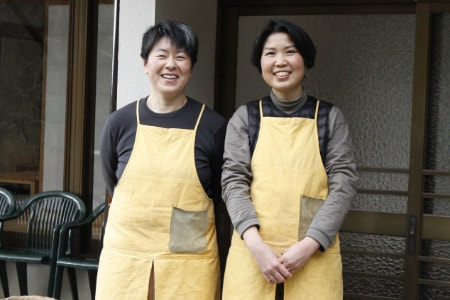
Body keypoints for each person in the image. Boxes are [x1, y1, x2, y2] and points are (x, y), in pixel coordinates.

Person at [221, 19, 358, 300]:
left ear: (305, 60)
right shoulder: (245, 118)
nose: (280, 61)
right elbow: (233, 182)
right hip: (253, 252)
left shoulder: (329, 118)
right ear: (260, 63)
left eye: (290, 51)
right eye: (270, 53)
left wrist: (309, 245)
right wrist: (257, 247)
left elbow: (343, 186)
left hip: (313, 254)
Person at [96, 20, 227, 300]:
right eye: (161, 55)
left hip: (190, 263)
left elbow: (219, 192)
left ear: (191, 68)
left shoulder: (213, 126)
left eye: (181, 57)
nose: (171, 64)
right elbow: (112, 180)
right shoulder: (120, 122)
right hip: (125, 258)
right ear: (145, 64)